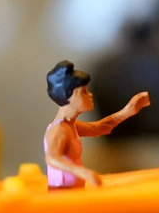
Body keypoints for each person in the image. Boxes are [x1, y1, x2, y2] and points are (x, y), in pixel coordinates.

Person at [42, 61, 150, 189]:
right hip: (62, 193)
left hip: (75, 190)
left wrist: (127, 111)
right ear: (68, 96)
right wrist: (83, 172)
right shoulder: (59, 130)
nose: (90, 95)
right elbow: (52, 158)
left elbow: (99, 128)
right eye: (83, 91)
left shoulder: (70, 125)